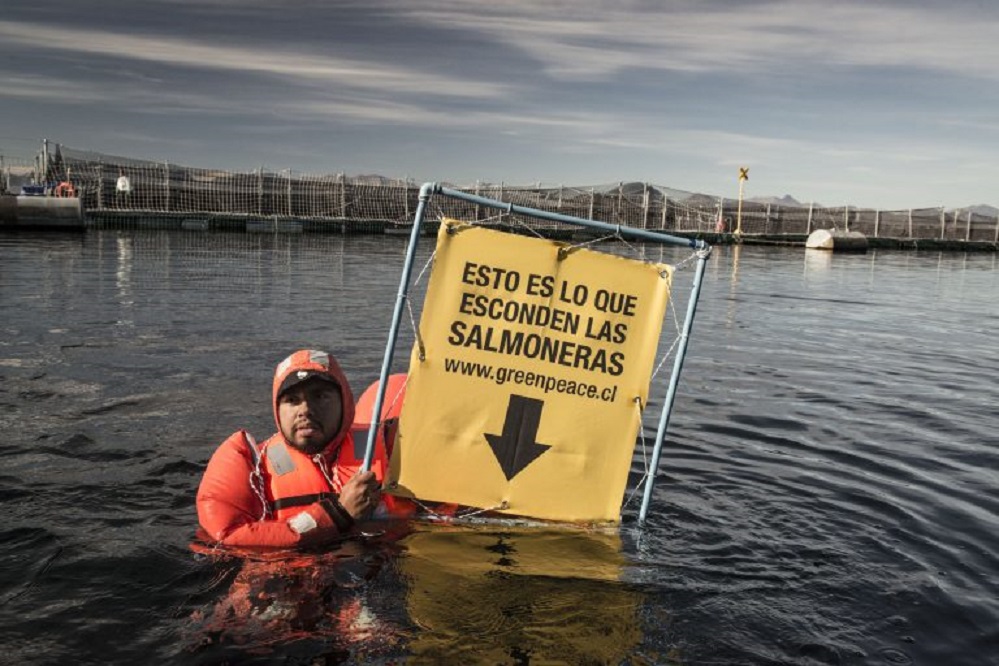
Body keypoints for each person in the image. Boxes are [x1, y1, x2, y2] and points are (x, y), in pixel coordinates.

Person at [196, 349, 403, 550]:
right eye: (292, 400)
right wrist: (337, 514)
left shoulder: (393, 447)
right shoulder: (249, 464)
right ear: (277, 410)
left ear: (345, 403)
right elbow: (229, 536)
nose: (305, 410)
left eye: (320, 396)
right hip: (289, 577)